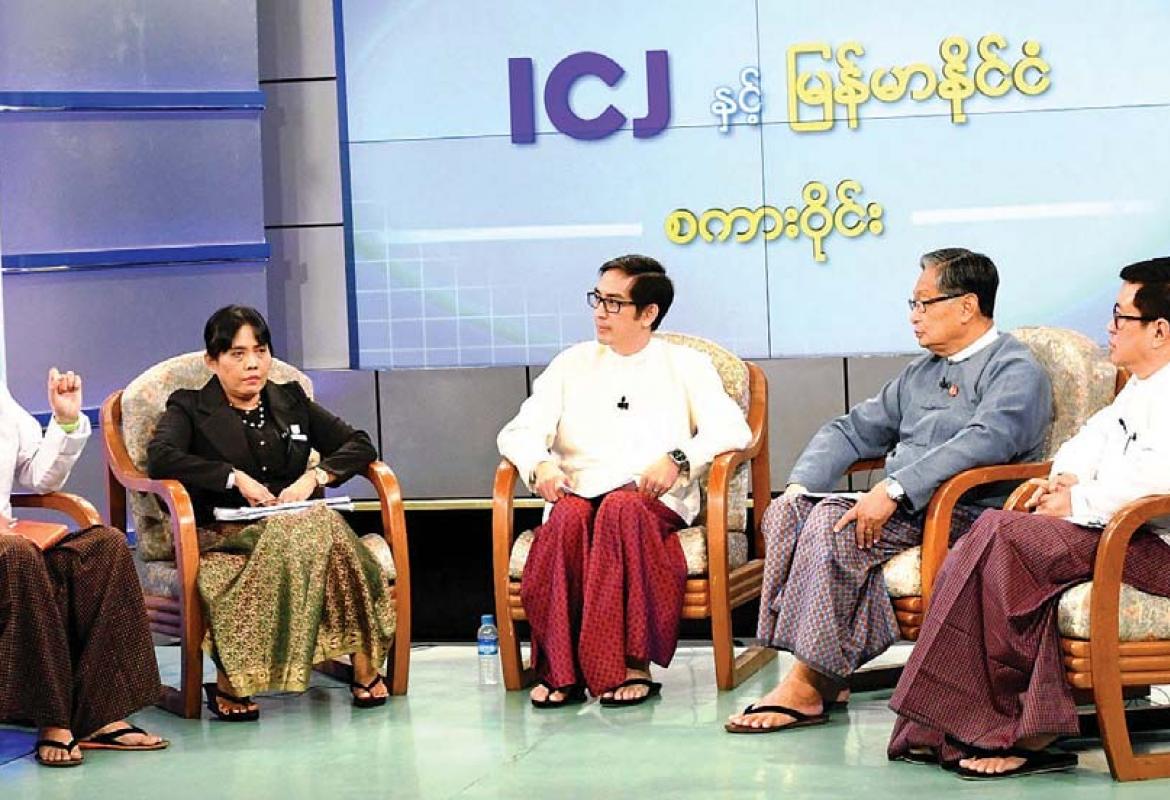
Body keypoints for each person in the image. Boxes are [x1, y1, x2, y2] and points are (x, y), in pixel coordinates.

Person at [726, 248, 1052, 733]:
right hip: (907, 511)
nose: (913, 316)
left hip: (964, 512)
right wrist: (799, 486)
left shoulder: (1014, 368)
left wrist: (895, 489)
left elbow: (988, 440)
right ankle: (823, 669)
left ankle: (809, 684)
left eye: (924, 303)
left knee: (834, 526)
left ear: (967, 306)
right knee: (787, 514)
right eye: (912, 304)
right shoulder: (921, 373)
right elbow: (851, 430)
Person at [887, 257, 1170, 779]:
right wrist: (1064, 479)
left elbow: (1158, 481)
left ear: (1159, 330)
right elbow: (1089, 440)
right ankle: (977, 724)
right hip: (1115, 531)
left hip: (1152, 546)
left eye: (1120, 316)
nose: (1110, 327)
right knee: (993, 536)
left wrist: (1077, 503)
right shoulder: (1141, 385)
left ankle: (995, 727)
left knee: (1002, 533)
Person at [497, 254, 751, 707]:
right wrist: (539, 465)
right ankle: (560, 671)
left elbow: (734, 431)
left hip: (647, 500)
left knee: (621, 509)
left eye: (614, 303)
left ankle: (632, 664)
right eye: (597, 299)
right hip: (577, 492)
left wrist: (679, 458)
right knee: (567, 520)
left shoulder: (685, 365)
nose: (600, 312)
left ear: (648, 313)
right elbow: (518, 432)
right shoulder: (572, 363)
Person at [147, 305, 394, 721]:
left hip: (299, 523)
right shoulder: (189, 407)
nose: (253, 364)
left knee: (319, 523)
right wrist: (232, 478)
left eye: (260, 352)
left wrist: (315, 477)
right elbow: (161, 458)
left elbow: (359, 444)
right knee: (326, 529)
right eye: (238, 354)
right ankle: (364, 668)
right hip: (226, 534)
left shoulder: (290, 399)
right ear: (213, 361)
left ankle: (235, 682)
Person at [1, 369, 165, 767]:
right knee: (19, 555)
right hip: (10, 553)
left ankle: (98, 716)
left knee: (105, 546)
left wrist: (66, 421)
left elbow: (39, 478)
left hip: (9, 547)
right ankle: (53, 717)